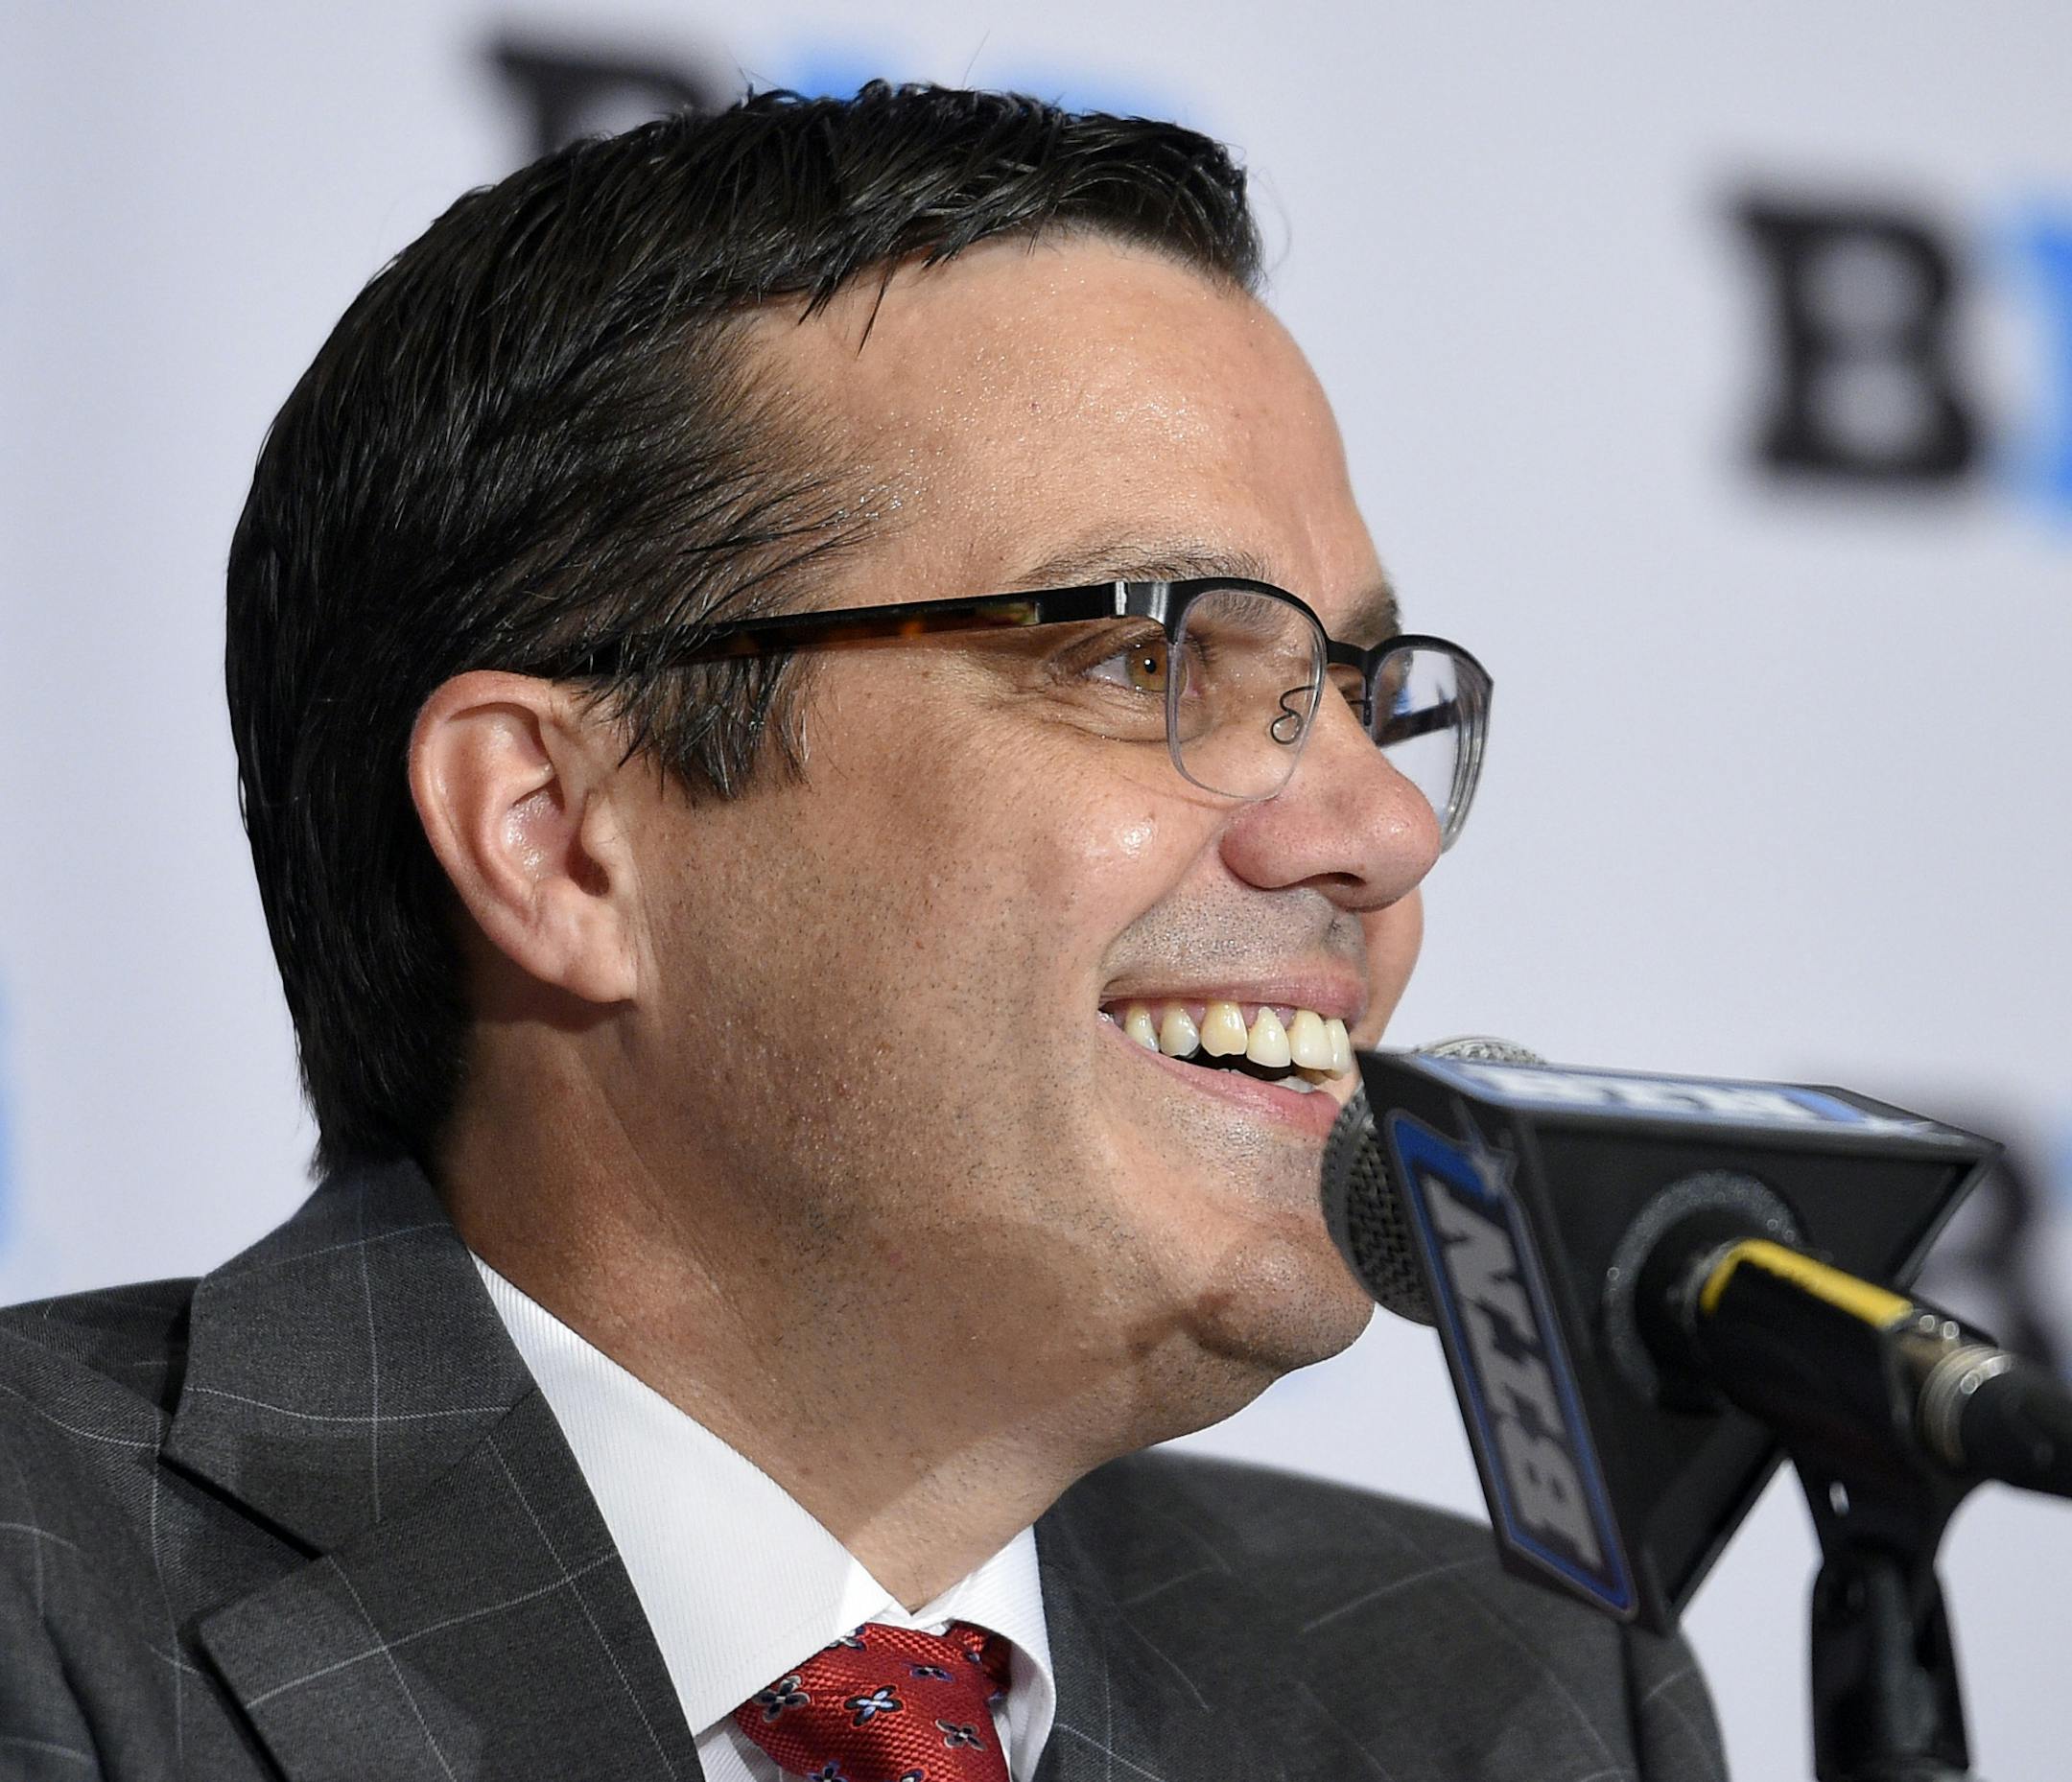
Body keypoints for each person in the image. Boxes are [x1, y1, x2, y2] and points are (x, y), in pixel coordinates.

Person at [0, 84, 1724, 1781]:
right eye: (1147, 660)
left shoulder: (1509, 1704)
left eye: (1357, 694)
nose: (1382, 829)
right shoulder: (41, 1590)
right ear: (553, 836)